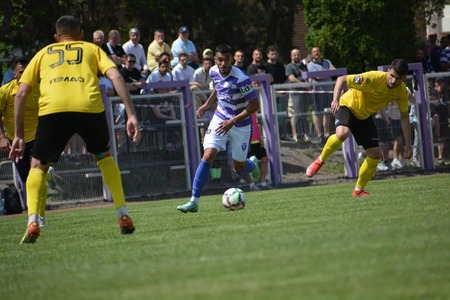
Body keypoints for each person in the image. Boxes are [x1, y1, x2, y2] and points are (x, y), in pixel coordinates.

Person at [9, 15, 141, 244]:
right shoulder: (91, 49)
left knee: (37, 165)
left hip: (53, 109)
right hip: (88, 106)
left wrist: (18, 135)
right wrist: (131, 114)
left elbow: (21, 94)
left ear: (56, 37)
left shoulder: (43, 53)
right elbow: (116, 76)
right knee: (103, 156)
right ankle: (122, 213)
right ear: (80, 34)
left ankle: (32, 220)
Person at [305, 59, 412, 197]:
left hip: (364, 116)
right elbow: (341, 79)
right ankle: (320, 161)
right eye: (391, 76)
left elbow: (404, 117)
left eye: (398, 79)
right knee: (343, 133)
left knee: (375, 155)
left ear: (403, 78)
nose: (393, 81)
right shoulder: (372, 78)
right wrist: (335, 99)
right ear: (388, 71)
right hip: (347, 106)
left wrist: (408, 143)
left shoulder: (401, 91)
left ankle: (358, 189)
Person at [176, 43, 260, 213]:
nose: (223, 64)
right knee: (207, 155)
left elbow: (254, 105)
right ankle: (193, 201)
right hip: (220, 118)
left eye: (227, 60)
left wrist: (233, 121)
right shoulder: (213, 71)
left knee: (239, 168)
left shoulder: (241, 79)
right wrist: (207, 104)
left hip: (241, 125)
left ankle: (252, 164)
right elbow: (218, 87)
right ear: (215, 59)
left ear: (231, 60)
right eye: (220, 60)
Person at [0, 56, 55, 227]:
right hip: (17, 142)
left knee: (35, 179)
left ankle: (39, 216)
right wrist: (2, 138)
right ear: (14, 73)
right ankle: (47, 177)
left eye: (27, 72)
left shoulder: (40, 89)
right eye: (21, 72)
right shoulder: (5, 92)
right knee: (28, 180)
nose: (25, 75)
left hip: (38, 139)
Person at [307, 46, 336, 142]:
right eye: (314, 52)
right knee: (318, 112)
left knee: (327, 112)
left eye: (318, 51)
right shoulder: (310, 65)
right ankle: (319, 134)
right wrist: (327, 73)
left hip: (328, 90)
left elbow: (334, 70)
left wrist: (324, 73)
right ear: (311, 54)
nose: (316, 53)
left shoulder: (327, 62)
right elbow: (318, 76)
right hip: (317, 91)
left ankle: (327, 133)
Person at [285, 47, 310, 143]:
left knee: (304, 114)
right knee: (298, 114)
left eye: (298, 54)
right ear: (291, 56)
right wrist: (303, 84)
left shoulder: (303, 66)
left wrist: (308, 84)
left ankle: (305, 134)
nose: (296, 56)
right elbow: (291, 78)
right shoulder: (290, 67)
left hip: (305, 93)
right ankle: (296, 135)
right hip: (296, 92)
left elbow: (307, 76)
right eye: (294, 55)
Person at [247, 113, 270, 189]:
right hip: (247, 141)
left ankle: (262, 182)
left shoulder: (253, 111)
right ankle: (252, 184)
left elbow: (256, 125)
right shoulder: (240, 110)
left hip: (256, 141)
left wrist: (260, 138)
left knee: (265, 159)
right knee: (246, 162)